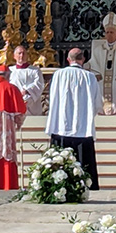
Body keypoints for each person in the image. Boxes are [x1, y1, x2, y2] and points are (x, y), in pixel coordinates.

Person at [46, 46, 103, 190]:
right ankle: (85, 186)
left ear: (68, 59)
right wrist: (86, 117)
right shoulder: (90, 77)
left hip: (60, 126)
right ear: (83, 59)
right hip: (83, 129)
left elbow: (52, 99)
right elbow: (97, 103)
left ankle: (58, 186)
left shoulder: (58, 75)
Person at [8, 43, 45, 116]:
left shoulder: (35, 70)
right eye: (19, 53)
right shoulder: (10, 71)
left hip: (32, 104)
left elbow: (39, 85)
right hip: (14, 103)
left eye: (24, 53)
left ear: (27, 55)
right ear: (14, 56)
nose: (21, 56)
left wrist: (27, 91)